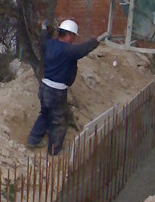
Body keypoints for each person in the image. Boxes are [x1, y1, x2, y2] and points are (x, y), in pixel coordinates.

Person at [27, 19, 104, 155]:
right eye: (73, 36)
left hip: (44, 88)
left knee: (45, 114)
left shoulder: (49, 44)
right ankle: (55, 150)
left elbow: (43, 37)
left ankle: (33, 139)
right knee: (58, 121)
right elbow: (84, 48)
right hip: (57, 92)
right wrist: (98, 40)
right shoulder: (69, 50)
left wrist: (45, 27)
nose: (74, 39)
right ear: (69, 35)